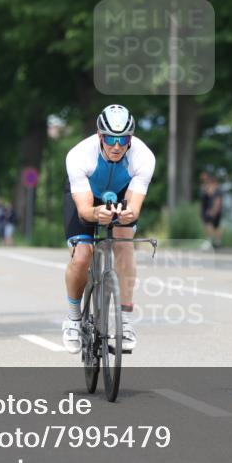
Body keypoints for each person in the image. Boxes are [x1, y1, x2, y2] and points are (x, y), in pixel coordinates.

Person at [61, 104, 156, 354]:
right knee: (82, 256)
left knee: (125, 246)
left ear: (130, 139)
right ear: (100, 136)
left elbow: (134, 207)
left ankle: (124, 323)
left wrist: (127, 215)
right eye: (111, 139)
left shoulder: (143, 157)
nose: (116, 145)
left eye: (123, 139)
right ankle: (73, 319)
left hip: (122, 193)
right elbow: (83, 210)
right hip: (86, 196)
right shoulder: (80, 155)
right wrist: (95, 213)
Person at [200, 172, 223, 249]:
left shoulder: (217, 191)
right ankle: (217, 242)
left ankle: (210, 241)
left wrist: (213, 210)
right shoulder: (215, 190)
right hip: (214, 211)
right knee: (216, 227)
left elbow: (218, 202)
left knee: (209, 225)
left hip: (214, 211)